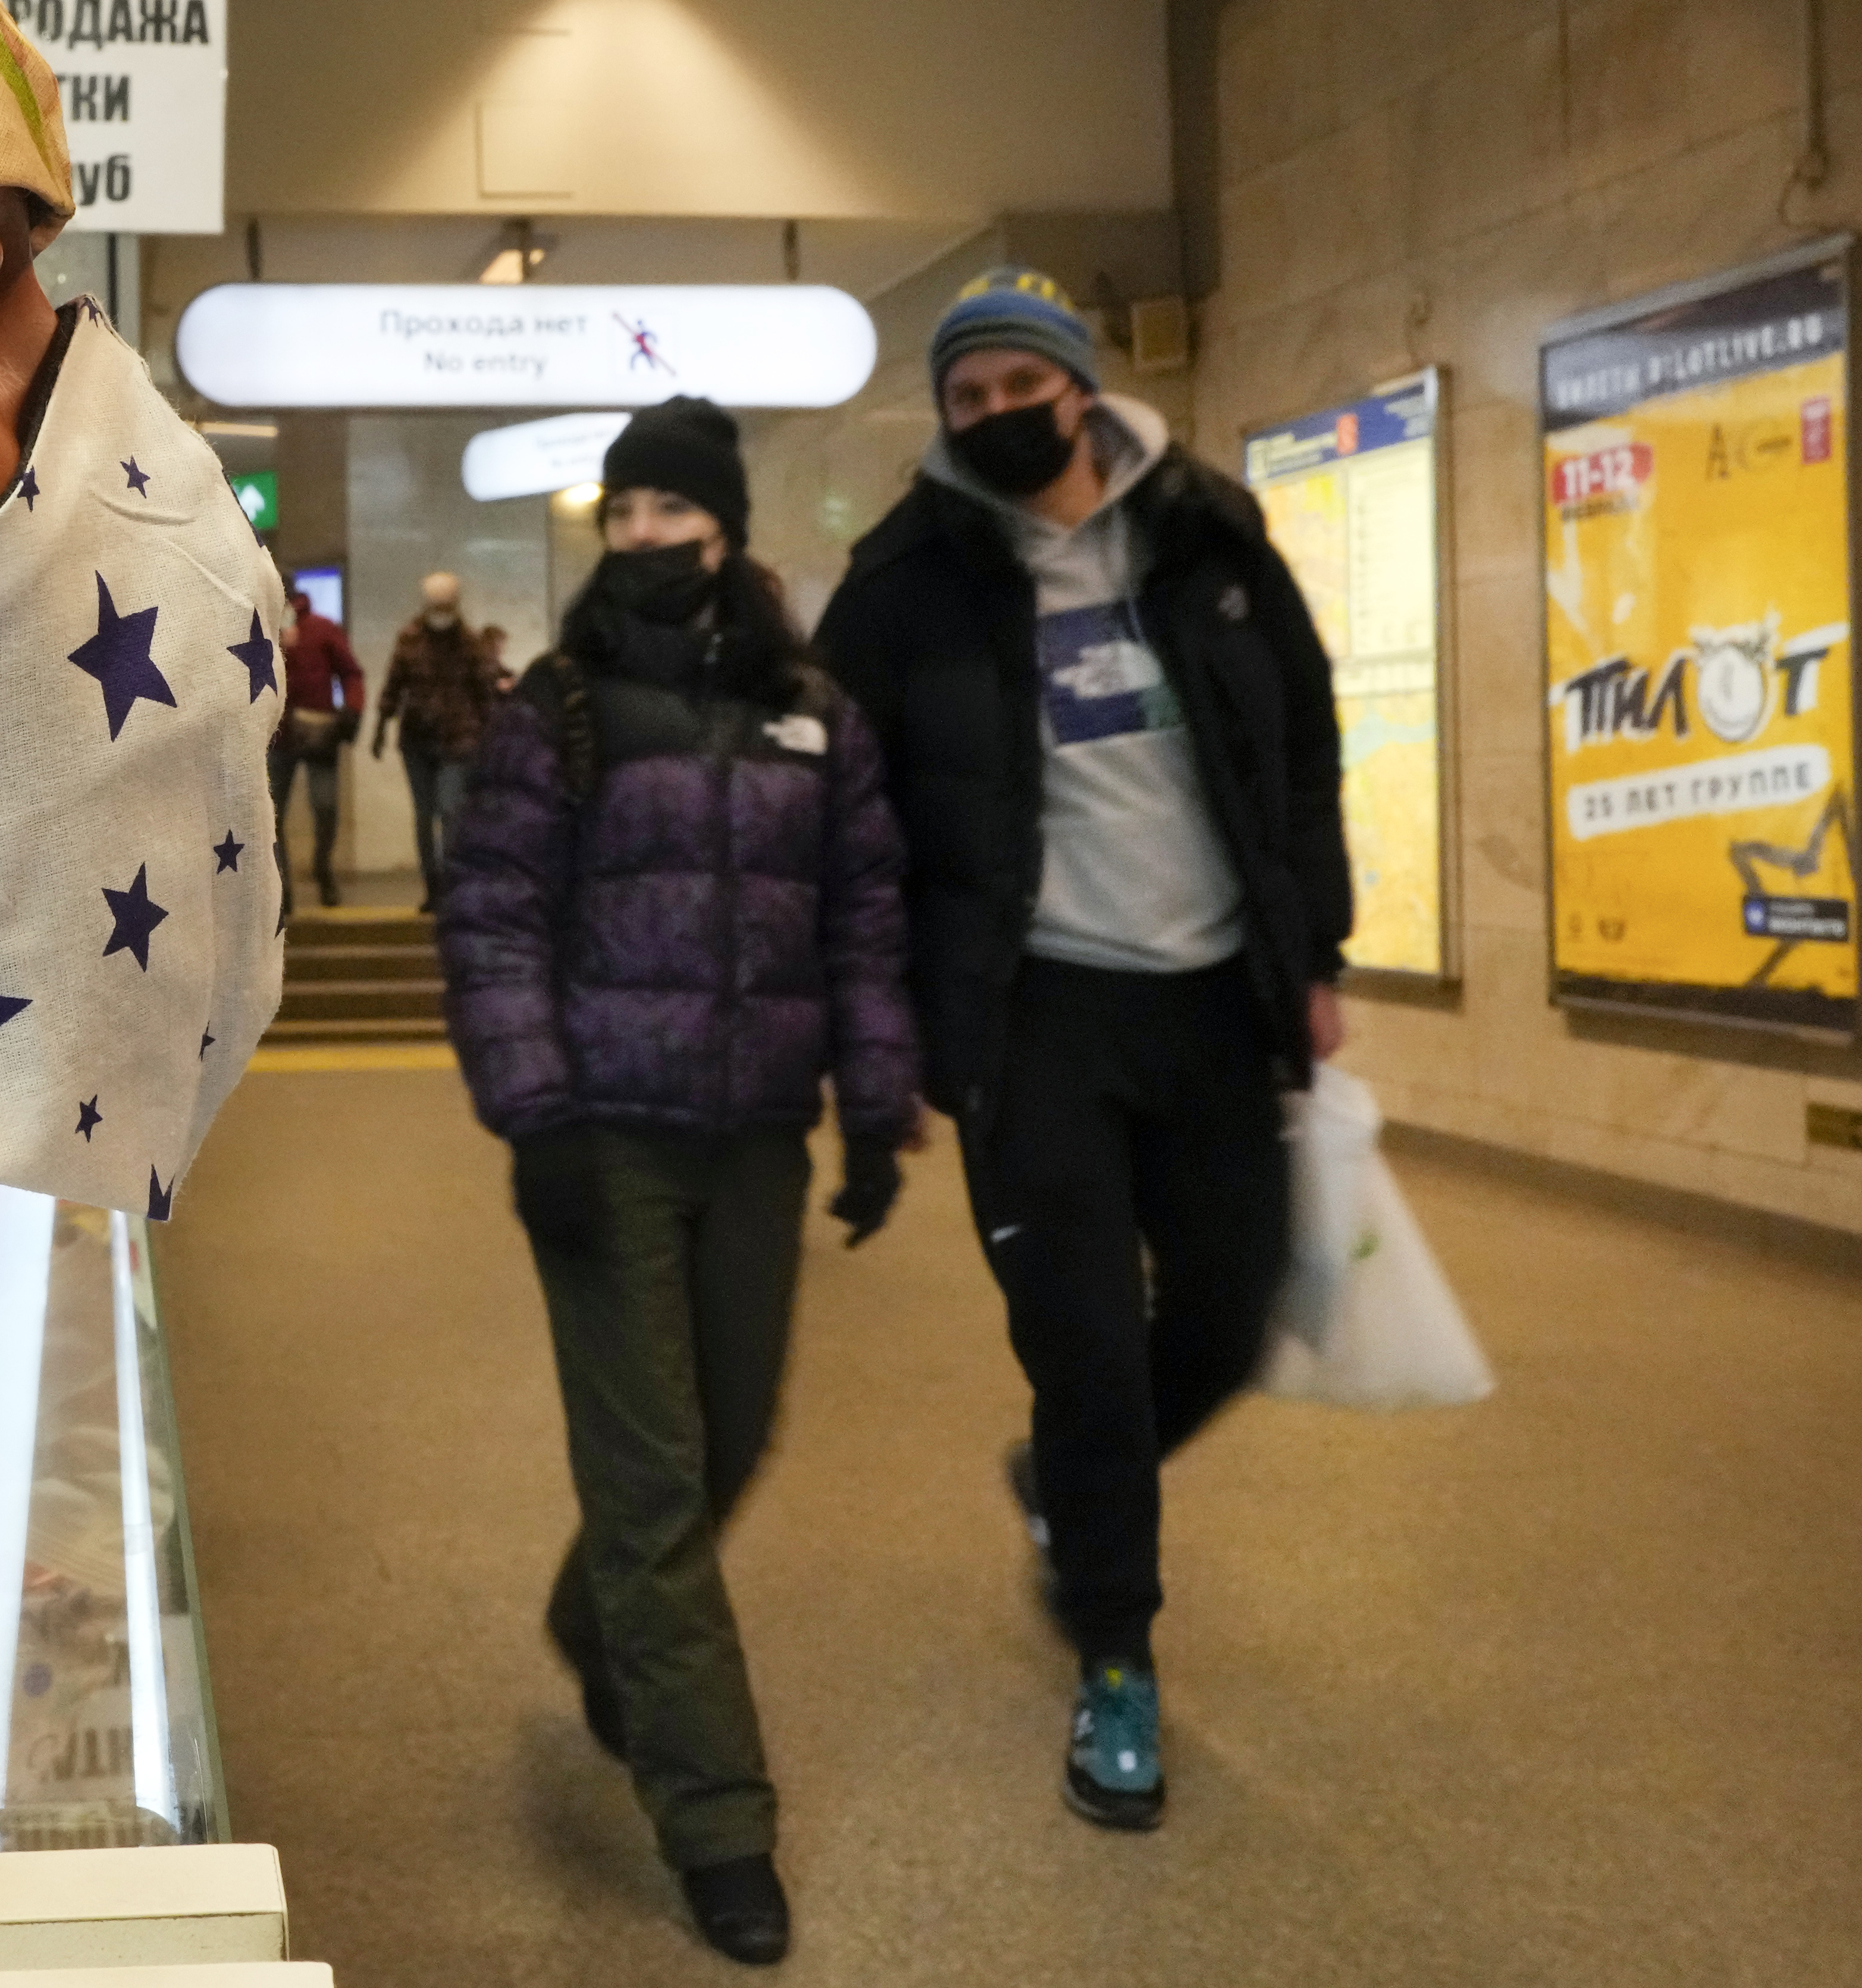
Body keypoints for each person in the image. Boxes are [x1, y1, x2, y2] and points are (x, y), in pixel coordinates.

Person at [814, 268, 1349, 1834]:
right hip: (1032, 1013)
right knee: (1090, 1350)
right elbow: (845, 821)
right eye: (966, 396)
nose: (996, 414)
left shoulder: (1207, 533)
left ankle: (1065, 1482)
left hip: (1212, 997)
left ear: (1079, 388)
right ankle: (1117, 1654)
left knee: (1234, 1309)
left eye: (1019, 386)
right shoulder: (904, 581)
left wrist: (1314, 952)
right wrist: (879, 1030)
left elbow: (1303, 747)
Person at [443, 397, 920, 1968]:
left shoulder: (810, 709)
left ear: (728, 527)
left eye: (672, 509)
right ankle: (719, 1819)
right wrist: (538, 1117)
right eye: (625, 511)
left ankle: (595, 1621)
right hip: (610, 1139)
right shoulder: (561, 708)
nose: (645, 535)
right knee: (652, 1481)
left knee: (733, 1435)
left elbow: (862, 917)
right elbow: (493, 916)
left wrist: (875, 1107)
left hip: (760, 1139)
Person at [373, 568, 495, 904]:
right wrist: (380, 728)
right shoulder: (409, 640)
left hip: (459, 740)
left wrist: (491, 737)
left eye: (446, 606)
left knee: (451, 811)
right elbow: (394, 684)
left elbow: (485, 694)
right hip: (417, 740)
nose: (441, 613)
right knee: (425, 816)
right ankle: (433, 886)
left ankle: (450, 885)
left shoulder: (470, 643)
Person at [269, 587, 365, 913]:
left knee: (325, 807)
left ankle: (323, 867)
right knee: (272, 816)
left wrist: (353, 709)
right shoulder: (261, 628)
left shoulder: (322, 628)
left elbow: (350, 672)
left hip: (318, 733)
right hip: (277, 735)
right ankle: (283, 886)